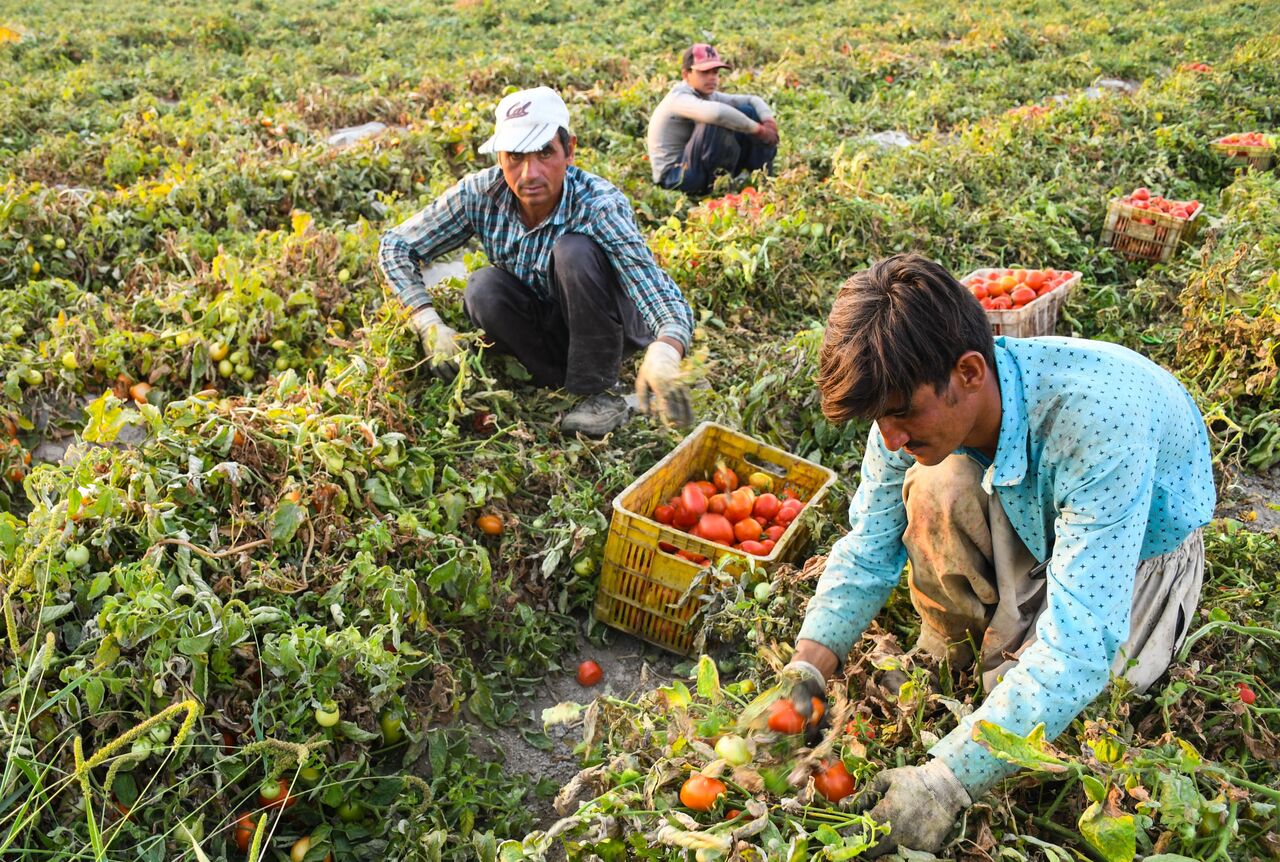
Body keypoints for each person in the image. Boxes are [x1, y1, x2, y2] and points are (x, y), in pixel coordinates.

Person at [777, 254, 1214, 856]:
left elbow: (1080, 643)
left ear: (969, 371)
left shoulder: (1097, 425)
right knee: (932, 485)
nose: (890, 438)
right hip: (1027, 504)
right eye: (881, 419)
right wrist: (807, 665)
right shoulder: (908, 415)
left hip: (1139, 551)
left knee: (1091, 700)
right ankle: (948, 644)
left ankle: (1000, 670)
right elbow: (868, 545)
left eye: (901, 413)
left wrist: (945, 782)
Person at [378, 86, 695, 437]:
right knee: (482, 287)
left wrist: (666, 349)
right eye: (515, 156)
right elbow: (395, 245)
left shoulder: (598, 205)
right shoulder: (481, 194)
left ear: (569, 150)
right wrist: (427, 322)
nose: (529, 174)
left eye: (545, 153)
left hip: (610, 323)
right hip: (552, 320)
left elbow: (656, 289)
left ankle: (600, 392)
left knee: (573, 251)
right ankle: (557, 376)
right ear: (500, 158)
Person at [646, 43, 778, 196]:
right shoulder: (678, 97)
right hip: (675, 177)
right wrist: (759, 130)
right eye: (704, 72)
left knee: (747, 111)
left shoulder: (707, 95)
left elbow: (751, 100)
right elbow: (717, 114)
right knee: (717, 121)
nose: (712, 78)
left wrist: (769, 122)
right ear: (685, 74)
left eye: (715, 72)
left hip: (693, 168)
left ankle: (763, 178)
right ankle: (718, 186)